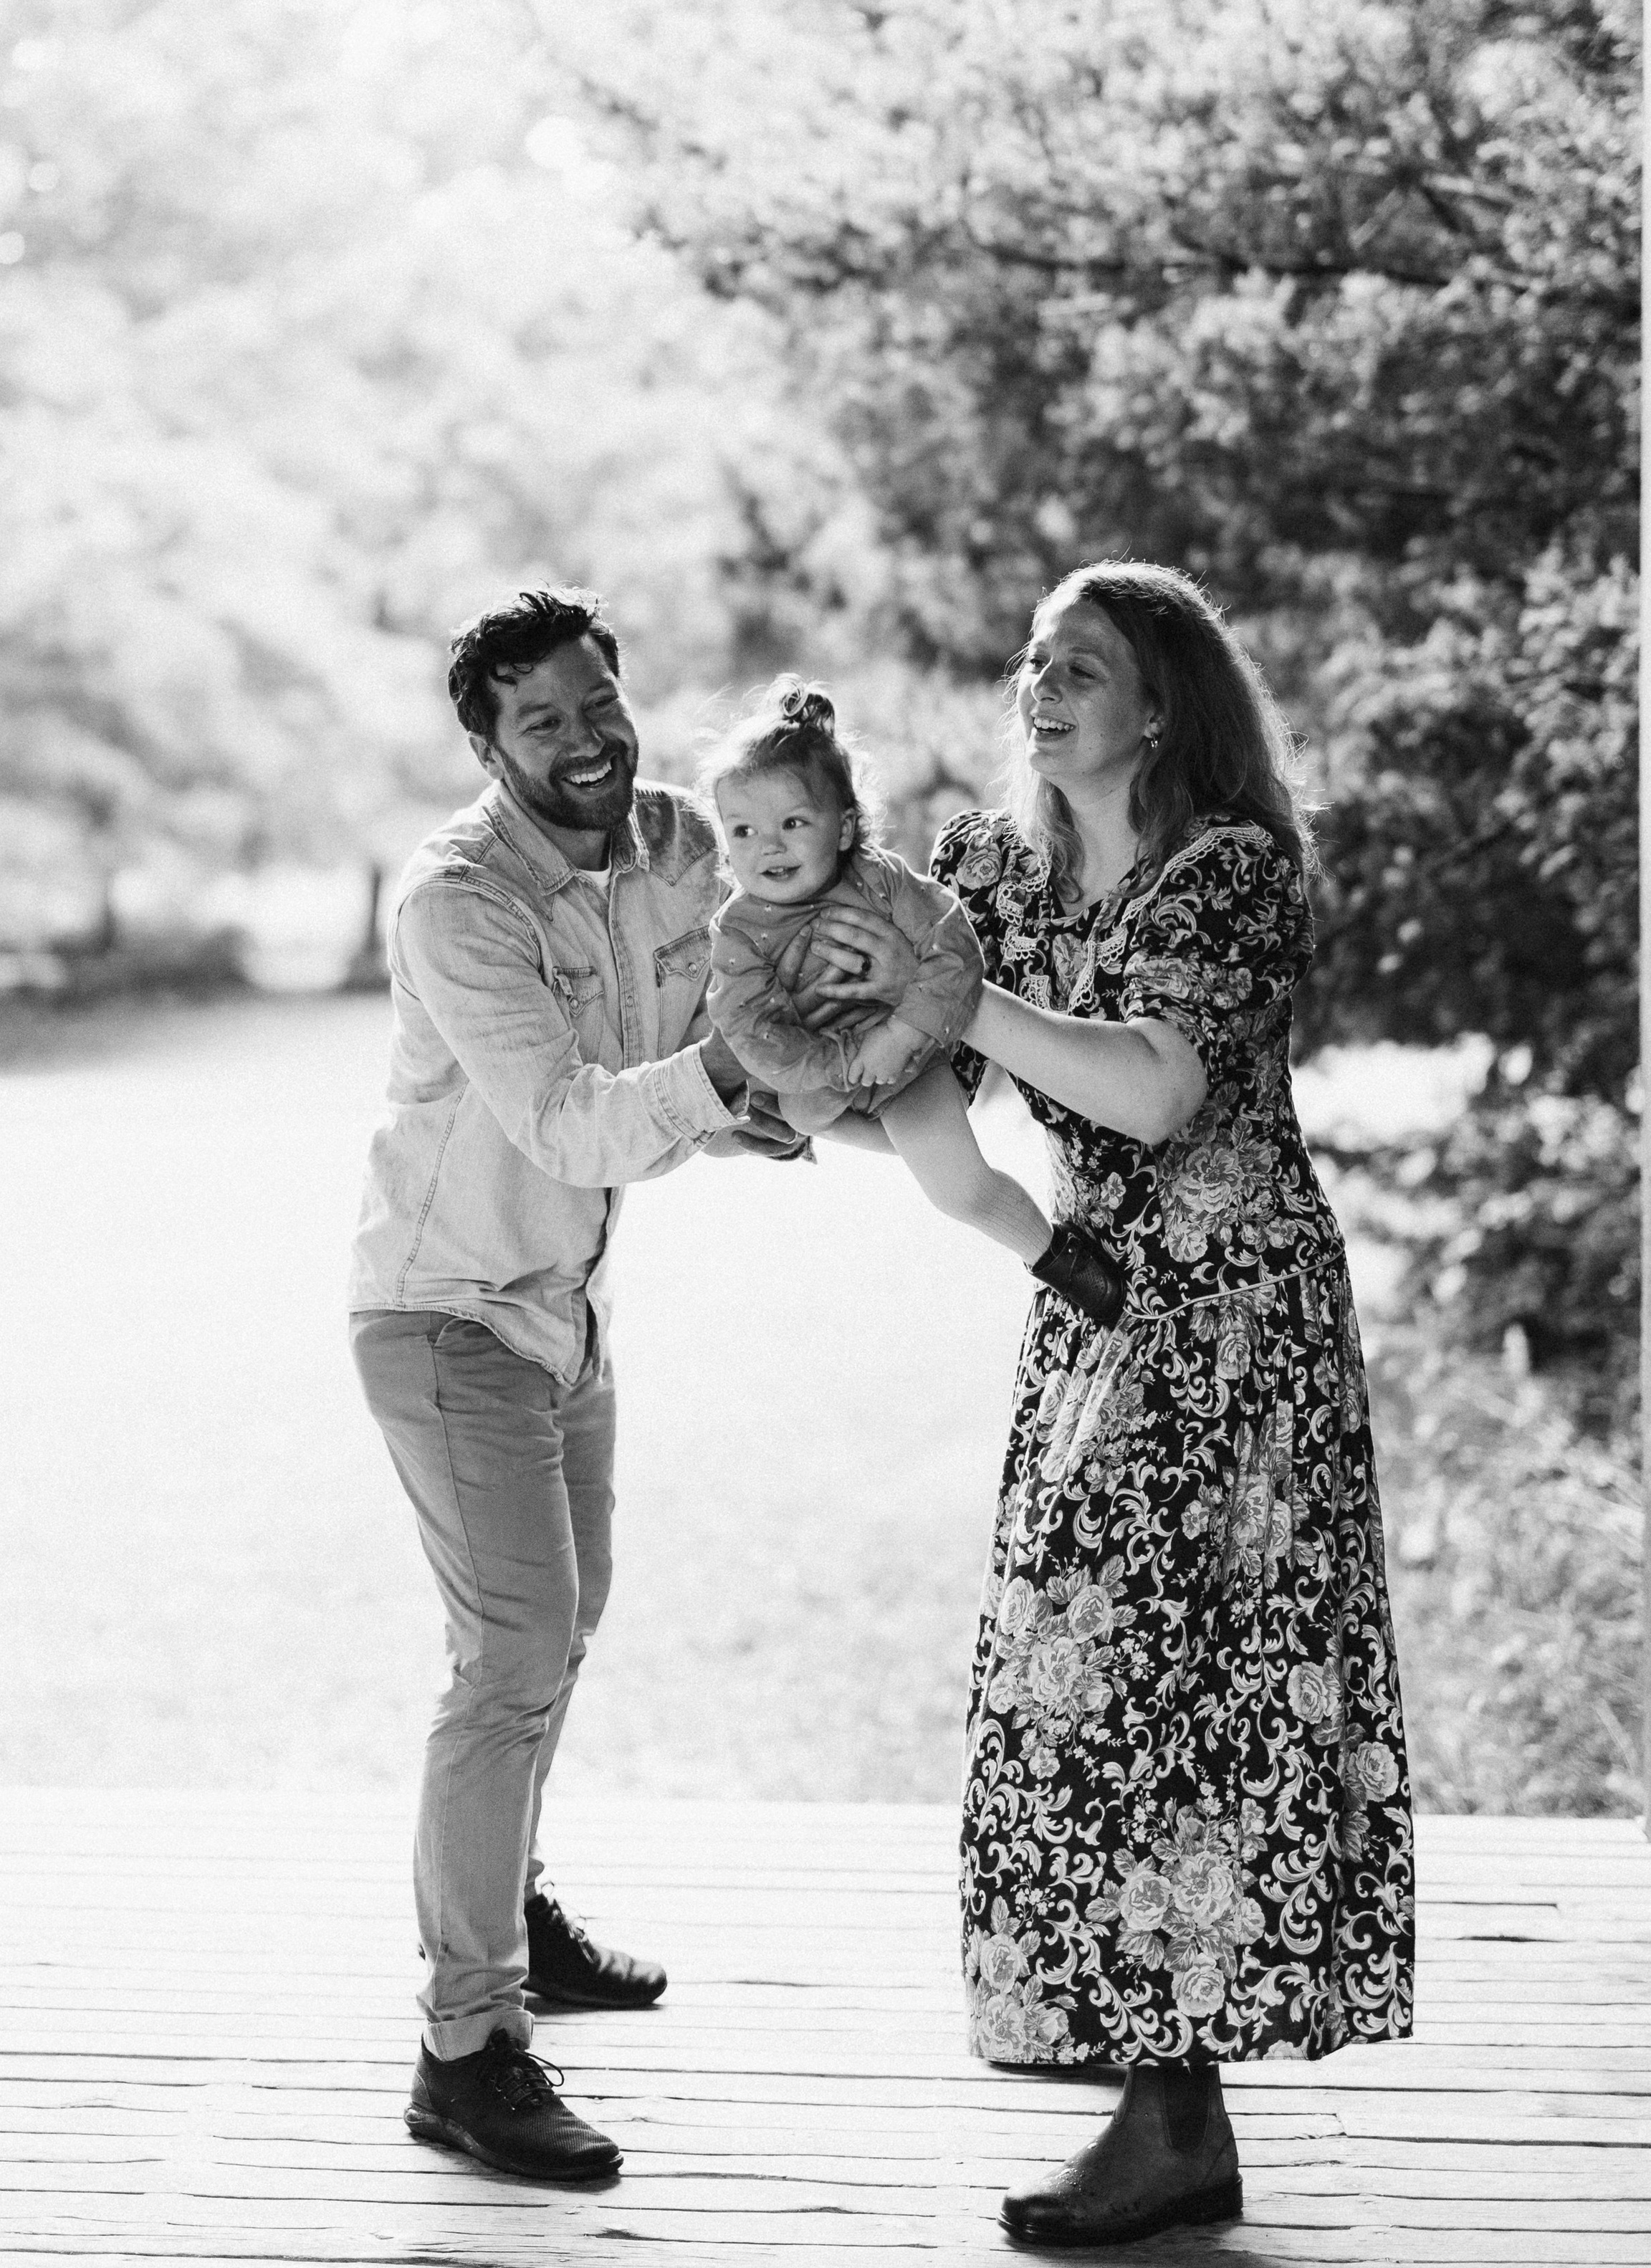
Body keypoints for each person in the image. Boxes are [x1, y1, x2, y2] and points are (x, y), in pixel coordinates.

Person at [803, 561, 1414, 2249]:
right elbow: (933, 1098)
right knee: (1081, 1672)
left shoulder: (1228, 866)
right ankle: (1156, 2081)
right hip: (1092, 1299)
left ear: (1157, 701)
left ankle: (1174, 2112)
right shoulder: (988, 872)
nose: (1035, 684)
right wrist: (804, 1051)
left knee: (1196, 1677)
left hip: (1233, 1316)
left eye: (1076, 663)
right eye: (1027, 659)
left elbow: (1149, 1088)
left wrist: (949, 991)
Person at [348, 585, 798, 2188]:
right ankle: (463, 2050)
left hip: (564, 1310)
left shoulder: (676, 845)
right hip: (446, 1309)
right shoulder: (454, 902)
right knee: (511, 1652)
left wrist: (796, 1072)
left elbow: (757, 962)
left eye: (598, 701)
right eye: (541, 720)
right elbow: (567, 1120)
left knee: (565, 1622)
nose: (587, 738)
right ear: (486, 743)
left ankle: (510, 1906)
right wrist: (732, 1086)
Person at [702, 676, 1124, 1316]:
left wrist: (897, 1036)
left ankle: (1057, 1257)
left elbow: (956, 952)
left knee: (957, 1189)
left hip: (909, 1062)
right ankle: (870, 1130)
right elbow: (748, 1023)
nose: (769, 846)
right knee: (794, 1109)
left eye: (793, 822)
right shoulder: (739, 928)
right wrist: (841, 1062)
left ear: (844, 829)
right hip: (821, 1072)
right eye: (743, 831)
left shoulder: (880, 882)